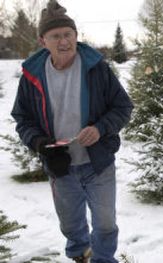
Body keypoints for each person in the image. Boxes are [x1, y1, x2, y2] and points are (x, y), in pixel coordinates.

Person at [11, 0, 133, 262]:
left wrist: (100, 129)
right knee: (70, 224)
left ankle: (102, 259)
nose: (63, 41)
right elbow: (21, 118)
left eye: (68, 34)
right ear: (43, 41)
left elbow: (123, 106)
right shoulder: (31, 75)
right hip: (60, 165)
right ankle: (80, 254)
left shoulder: (97, 68)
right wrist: (40, 143)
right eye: (56, 36)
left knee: (105, 224)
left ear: (77, 36)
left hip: (97, 163)